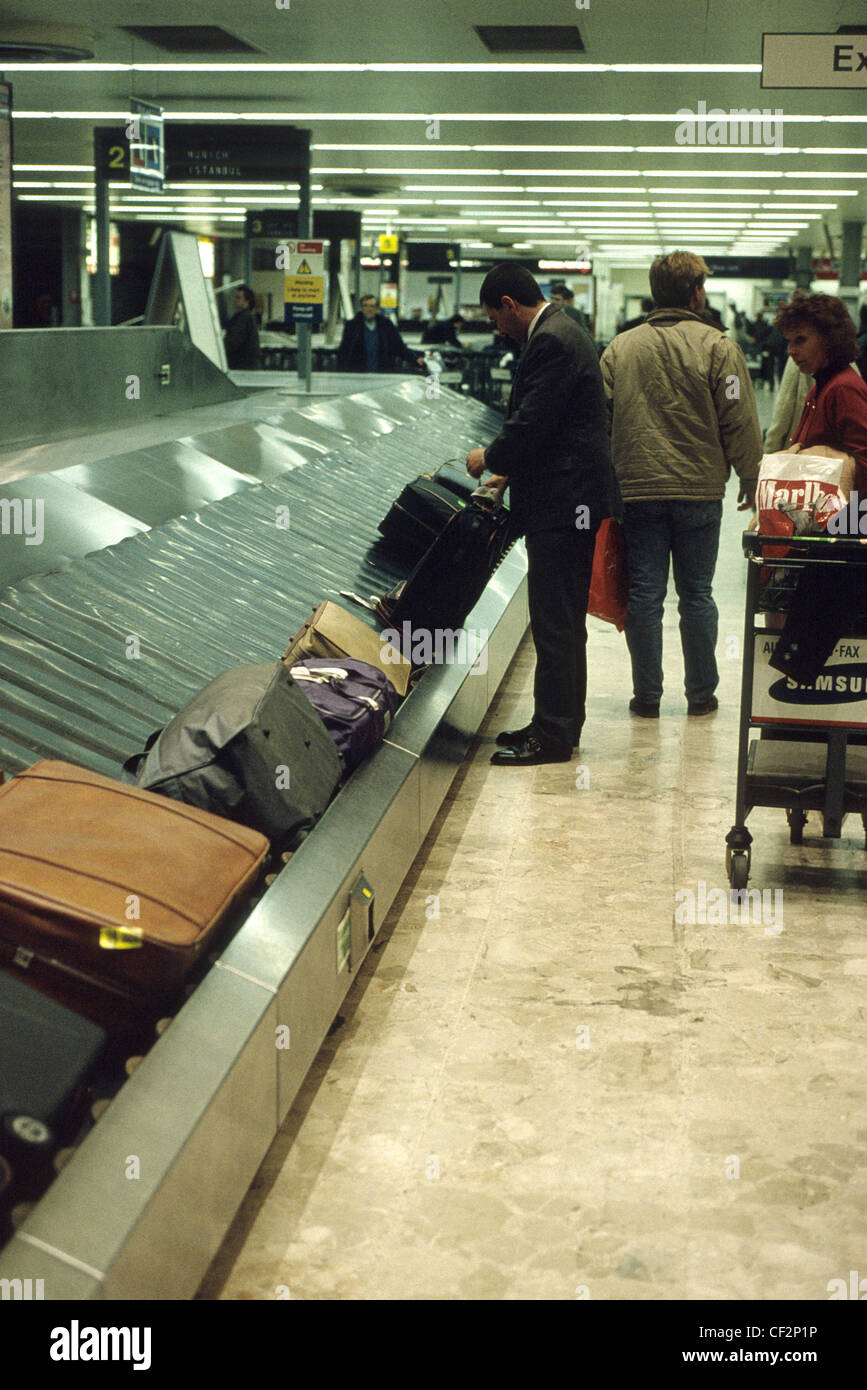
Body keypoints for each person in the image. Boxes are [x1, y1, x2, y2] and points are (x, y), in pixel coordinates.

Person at [600, 251, 762, 718]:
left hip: (639, 490)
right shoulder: (719, 348)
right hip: (699, 491)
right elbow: (738, 416)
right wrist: (750, 476)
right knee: (697, 593)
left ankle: (647, 697)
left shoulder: (619, 349)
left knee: (645, 594)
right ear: (695, 291)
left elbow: (601, 420)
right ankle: (700, 695)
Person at [465, 263, 614, 765]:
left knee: (556, 622)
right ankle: (554, 723)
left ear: (510, 304)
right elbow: (556, 426)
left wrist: (491, 458)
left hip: (562, 502)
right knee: (561, 620)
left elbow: (532, 423)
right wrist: (511, 475)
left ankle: (552, 738)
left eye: (495, 317)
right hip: (567, 497)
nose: (496, 328)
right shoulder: (565, 330)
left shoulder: (550, 341)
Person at [767, 292, 867, 685]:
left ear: (829, 338)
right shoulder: (819, 387)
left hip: (845, 532)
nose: (791, 351)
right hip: (831, 528)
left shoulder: (843, 388)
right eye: (789, 342)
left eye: (801, 340)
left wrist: (850, 520)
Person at [337, 294, 425, 373]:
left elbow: (399, 347)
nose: (369, 309)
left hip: (382, 375)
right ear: (361, 308)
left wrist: (415, 359)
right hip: (359, 375)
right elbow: (344, 351)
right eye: (366, 306)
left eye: (372, 306)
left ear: (376, 309)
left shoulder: (386, 325)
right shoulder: (352, 326)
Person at [224, 285, 261, 369]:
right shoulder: (245, 317)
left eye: (238, 298)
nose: (235, 300)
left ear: (247, 301)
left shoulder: (244, 318)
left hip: (243, 366)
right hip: (246, 365)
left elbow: (234, 341)